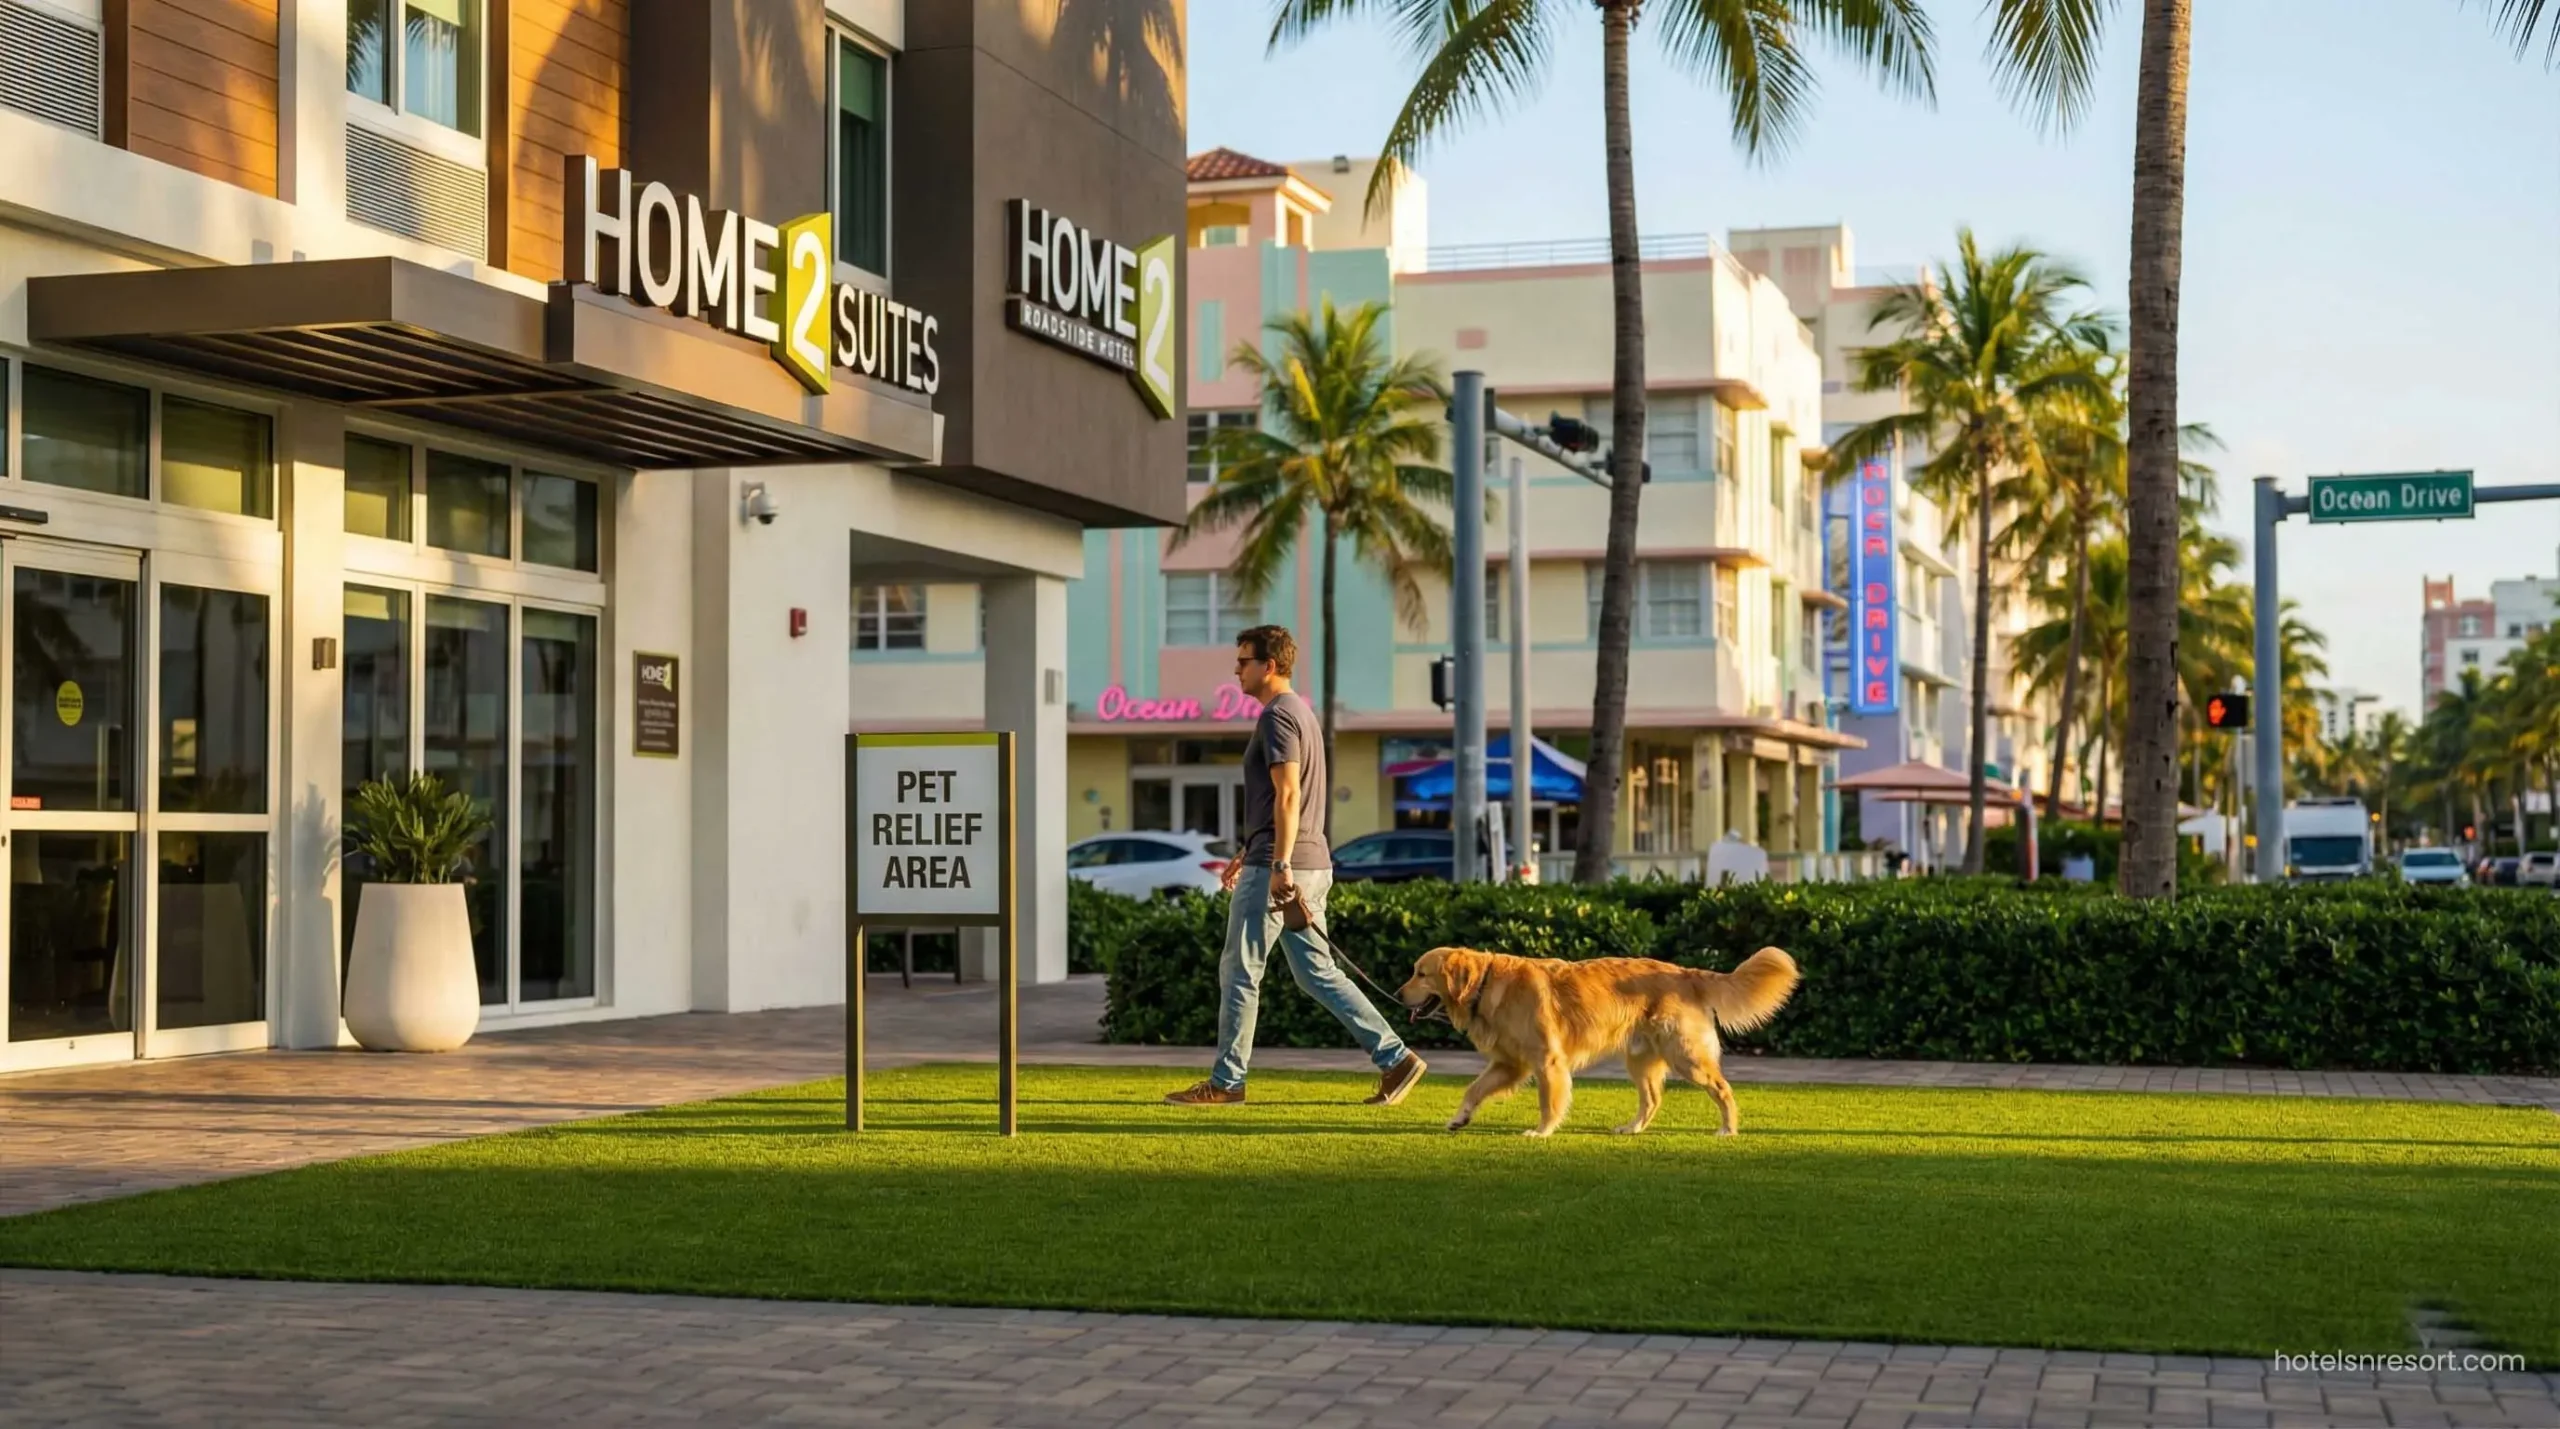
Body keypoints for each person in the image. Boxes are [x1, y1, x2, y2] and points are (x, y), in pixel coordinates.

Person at [1165, 625, 1427, 1107]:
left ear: (1269, 665)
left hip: (1282, 866)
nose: (1236, 670)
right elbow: (1286, 802)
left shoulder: (1277, 717)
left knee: (1240, 971)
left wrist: (1277, 862)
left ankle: (1226, 1083)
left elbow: (1288, 795)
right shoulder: (1301, 714)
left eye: (1243, 661)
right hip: (1305, 860)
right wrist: (1253, 849)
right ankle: (1397, 1059)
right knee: (1317, 973)